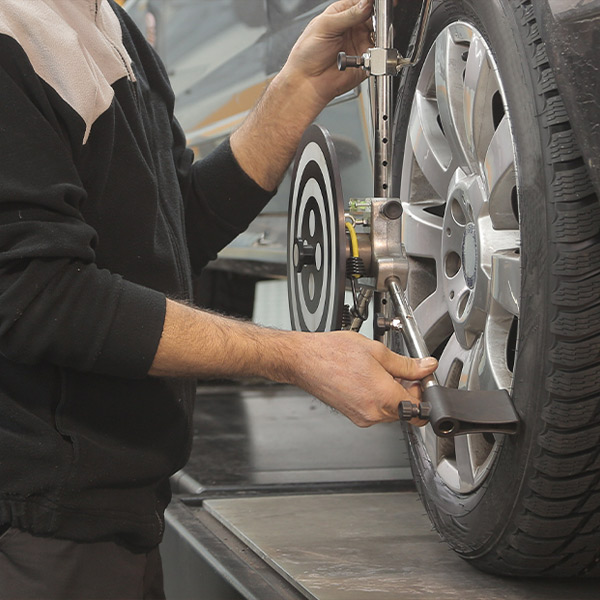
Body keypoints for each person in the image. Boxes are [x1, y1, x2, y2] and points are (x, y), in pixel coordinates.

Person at [0, 0, 437, 597]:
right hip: (35, 526)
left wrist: (298, 87)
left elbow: (171, 234)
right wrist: (298, 357)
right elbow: (39, 297)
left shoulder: (107, 23)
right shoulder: (11, 36)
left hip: (111, 513)